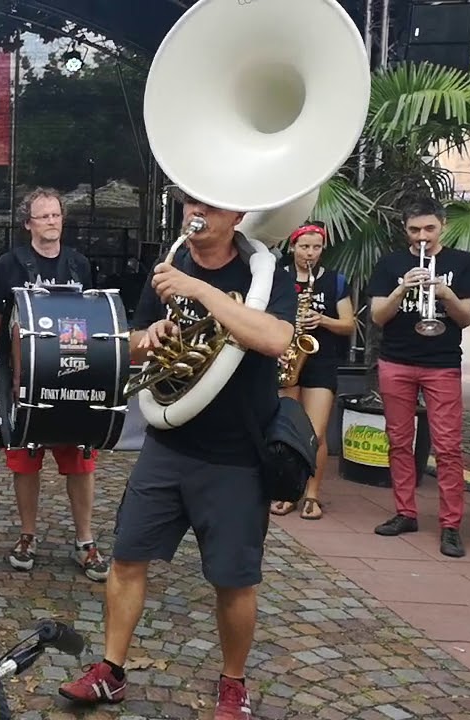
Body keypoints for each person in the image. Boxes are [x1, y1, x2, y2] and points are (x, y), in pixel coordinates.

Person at [59, 193, 296, 720]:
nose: (198, 212)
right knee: (126, 558)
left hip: (236, 454)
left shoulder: (265, 273)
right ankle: (111, 671)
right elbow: (132, 339)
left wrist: (198, 291)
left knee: (234, 579)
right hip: (168, 445)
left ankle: (233, 685)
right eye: (192, 201)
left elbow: (276, 338)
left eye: (212, 205)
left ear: (238, 216)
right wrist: (152, 337)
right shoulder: (170, 265)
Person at [0, 187, 109, 581]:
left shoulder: (80, 264)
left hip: (73, 375)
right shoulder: (9, 264)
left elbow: (93, 320)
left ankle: (85, 541)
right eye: (43, 216)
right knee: (25, 461)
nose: (51, 222)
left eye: (56, 216)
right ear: (28, 223)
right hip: (20, 378)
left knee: (81, 461)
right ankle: (27, 536)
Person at [366, 197, 470, 558]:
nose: (422, 237)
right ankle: (405, 512)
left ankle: (451, 525)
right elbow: (377, 317)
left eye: (429, 228)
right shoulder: (391, 264)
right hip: (396, 361)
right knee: (399, 441)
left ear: (442, 226)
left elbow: (465, 318)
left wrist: (444, 292)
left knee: (447, 447)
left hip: (442, 362)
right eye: (415, 230)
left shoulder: (462, 263)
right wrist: (402, 288)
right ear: (405, 230)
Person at [270, 224, 354, 521]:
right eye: (305, 247)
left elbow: (349, 324)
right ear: (293, 247)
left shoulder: (334, 281)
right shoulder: (280, 278)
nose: (310, 253)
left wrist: (323, 320)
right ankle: (285, 489)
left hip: (321, 360)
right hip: (287, 358)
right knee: (286, 429)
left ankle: (313, 493)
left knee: (316, 432)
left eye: (316, 247)